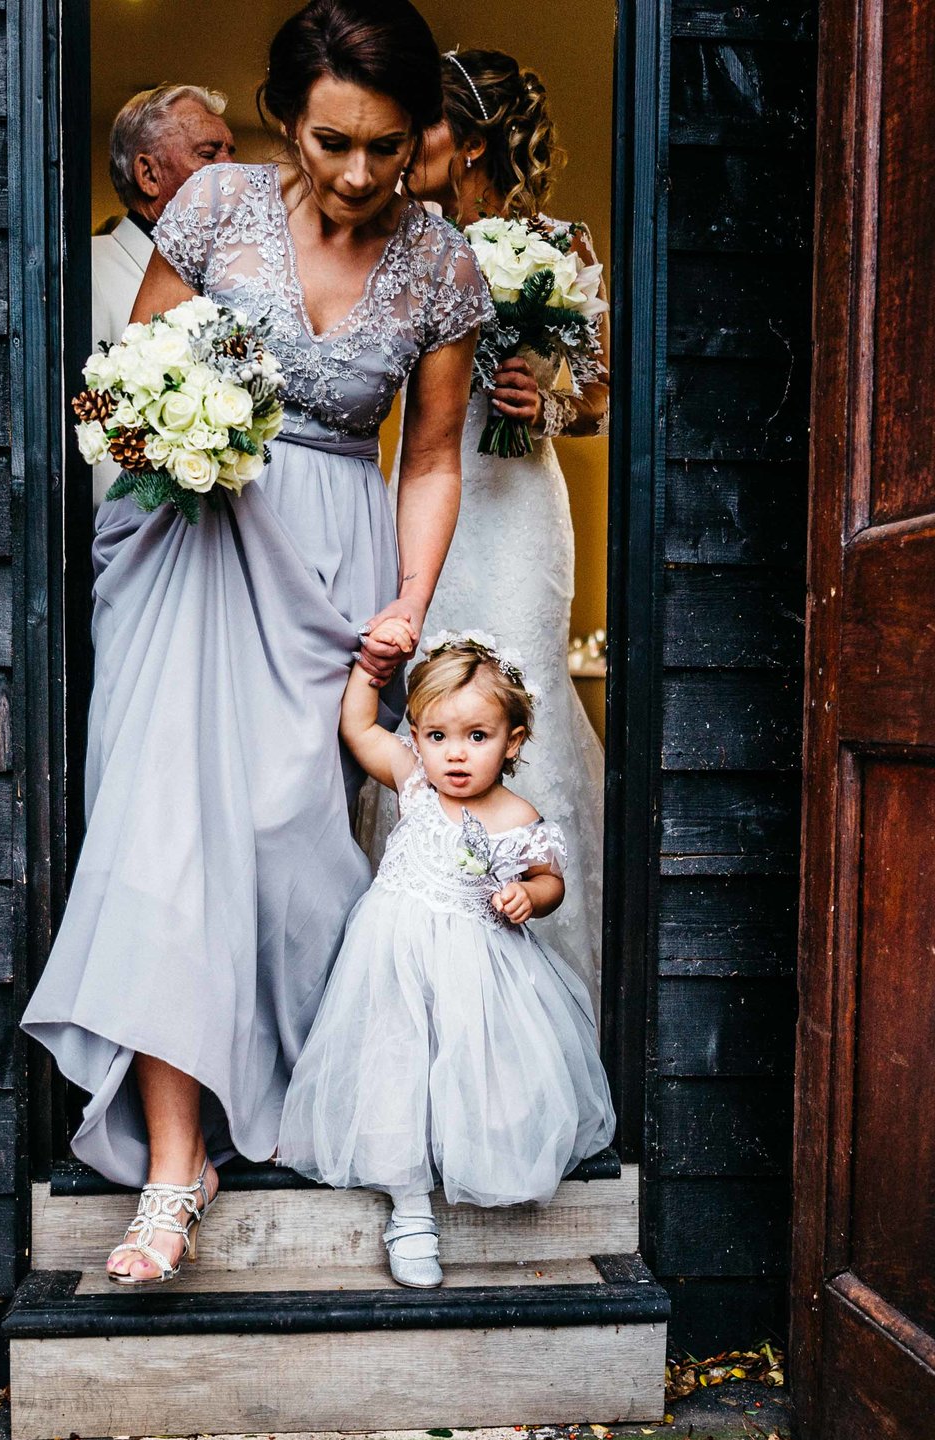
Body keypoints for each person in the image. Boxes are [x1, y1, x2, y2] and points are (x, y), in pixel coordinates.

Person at [21, 0, 494, 1285]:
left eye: (387, 149)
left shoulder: (443, 264)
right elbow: (128, 384)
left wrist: (408, 595)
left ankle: (297, 1097)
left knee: (291, 850)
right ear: (287, 121)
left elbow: (435, 454)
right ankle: (174, 1168)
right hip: (187, 538)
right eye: (334, 141)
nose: (357, 174)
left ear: (418, 141)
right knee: (166, 832)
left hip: (328, 562)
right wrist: (168, 428)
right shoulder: (217, 206)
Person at [276, 635, 614, 1287]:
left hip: (477, 967)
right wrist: (369, 672)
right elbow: (356, 727)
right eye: (436, 735)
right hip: (393, 958)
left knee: (472, 1066)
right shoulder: (414, 784)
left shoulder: (518, 816)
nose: (454, 753)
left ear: (513, 740)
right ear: (419, 737)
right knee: (396, 1066)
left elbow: (551, 881)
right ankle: (409, 1213)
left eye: (477, 735)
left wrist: (528, 895)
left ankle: (477, 1158)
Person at [394, 48, 610, 1001]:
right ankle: (418, 964)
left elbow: (603, 392)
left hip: (518, 510)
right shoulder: (398, 241)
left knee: (526, 709)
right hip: (423, 499)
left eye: (421, 125)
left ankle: (543, 985)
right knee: (425, 695)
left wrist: (549, 397)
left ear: (471, 141)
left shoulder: (564, 244)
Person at [91, 84, 237, 503]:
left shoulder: (236, 279)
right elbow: (97, 436)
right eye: (209, 155)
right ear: (148, 175)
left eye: (232, 151)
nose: (232, 171)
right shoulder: (88, 271)